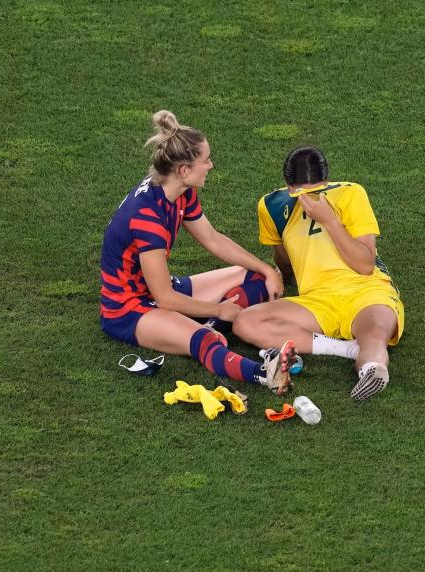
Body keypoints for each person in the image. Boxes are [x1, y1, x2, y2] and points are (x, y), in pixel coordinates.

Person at [100, 110, 297, 393]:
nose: (210, 165)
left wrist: (266, 270)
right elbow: (164, 298)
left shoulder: (180, 191)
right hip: (129, 309)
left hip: (158, 289)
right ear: (183, 170)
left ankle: (207, 323)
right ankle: (265, 374)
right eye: (205, 161)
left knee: (252, 277)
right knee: (205, 341)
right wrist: (220, 309)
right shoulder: (147, 218)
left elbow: (212, 239)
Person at [232, 146, 404, 401]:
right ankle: (349, 350)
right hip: (317, 301)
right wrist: (281, 276)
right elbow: (283, 258)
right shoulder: (271, 205)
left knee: (375, 334)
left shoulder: (350, 194)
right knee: (245, 322)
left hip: (367, 290)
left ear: (289, 182)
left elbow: (366, 265)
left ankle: (370, 370)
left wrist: (330, 221)